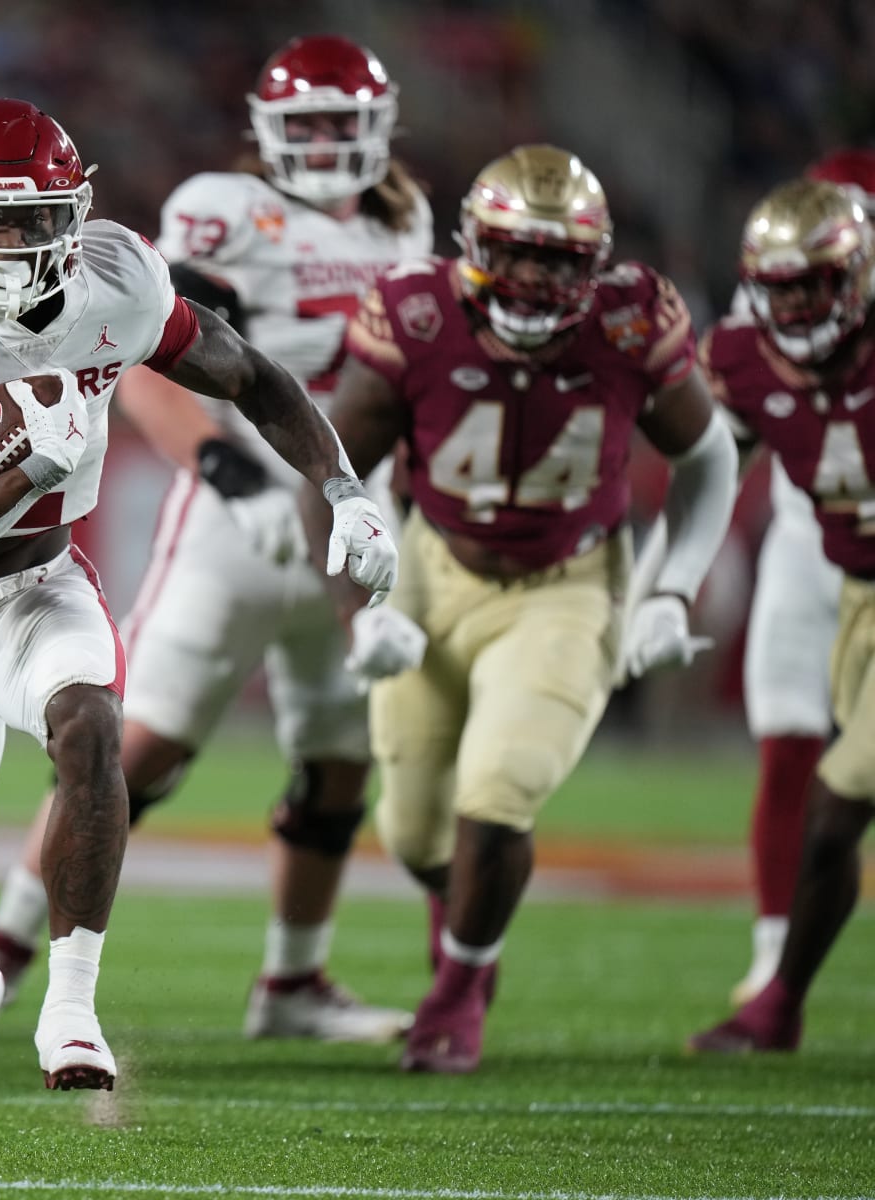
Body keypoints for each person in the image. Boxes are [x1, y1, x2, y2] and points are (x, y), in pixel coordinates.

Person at [0, 97, 398, 1120]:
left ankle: (73, 1007)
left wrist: (345, 488)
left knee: (92, 727)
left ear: (75, 211)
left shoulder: (119, 280)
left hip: (44, 586)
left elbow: (252, 373)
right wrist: (27, 464)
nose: (11, 242)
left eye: (35, 217)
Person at [0, 34, 428, 1044]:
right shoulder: (223, 212)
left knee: (340, 760)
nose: (318, 142)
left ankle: (293, 984)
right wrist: (224, 471)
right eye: (300, 122)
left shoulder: (406, 223)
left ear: (375, 131)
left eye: (336, 123)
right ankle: (0, 952)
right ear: (266, 131)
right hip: (245, 517)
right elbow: (147, 359)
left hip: (355, 510)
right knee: (139, 753)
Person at [302, 144, 738, 1073]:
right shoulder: (415, 313)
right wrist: (361, 611)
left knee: (498, 793)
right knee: (415, 832)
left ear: (596, 265)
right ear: (473, 246)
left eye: (559, 259)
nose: (536, 278)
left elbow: (708, 459)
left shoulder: (630, 321)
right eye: (516, 252)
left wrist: (670, 584)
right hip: (434, 562)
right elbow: (337, 471)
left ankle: (460, 985)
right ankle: (464, 912)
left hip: (570, 583)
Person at [689, 178, 875, 1053]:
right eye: (782, 286)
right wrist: (668, 575)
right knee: (821, 783)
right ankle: (781, 999)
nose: (798, 305)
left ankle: (777, 1006)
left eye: (817, 284)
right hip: (854, 587)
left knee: (841, 798)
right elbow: (712, 465)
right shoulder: (742, 356)